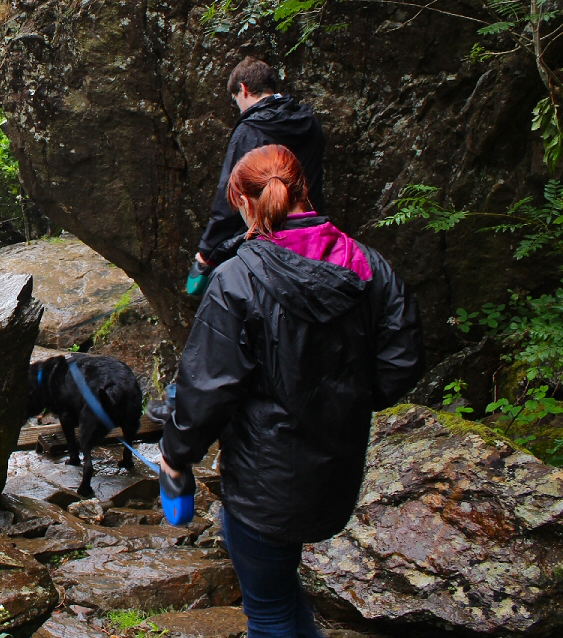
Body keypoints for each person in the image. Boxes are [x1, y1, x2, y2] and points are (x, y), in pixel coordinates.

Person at [159, 144, 422, 638]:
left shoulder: (237, 278)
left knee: (269, 611)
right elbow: (401, 361)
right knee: (280, 592)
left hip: (264, 479)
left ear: (244, 203)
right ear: (304, 189)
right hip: (336, 469)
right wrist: (346, 399)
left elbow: (206, 390)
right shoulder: (368, 265)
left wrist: (175, 458)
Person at [194, 57, 326, 279]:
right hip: (314, 232)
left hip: (271, 243)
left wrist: (207, 251)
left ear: (243, 90)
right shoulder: (309, 121)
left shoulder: (250, 131)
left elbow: (229, 199)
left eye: (236, 100)